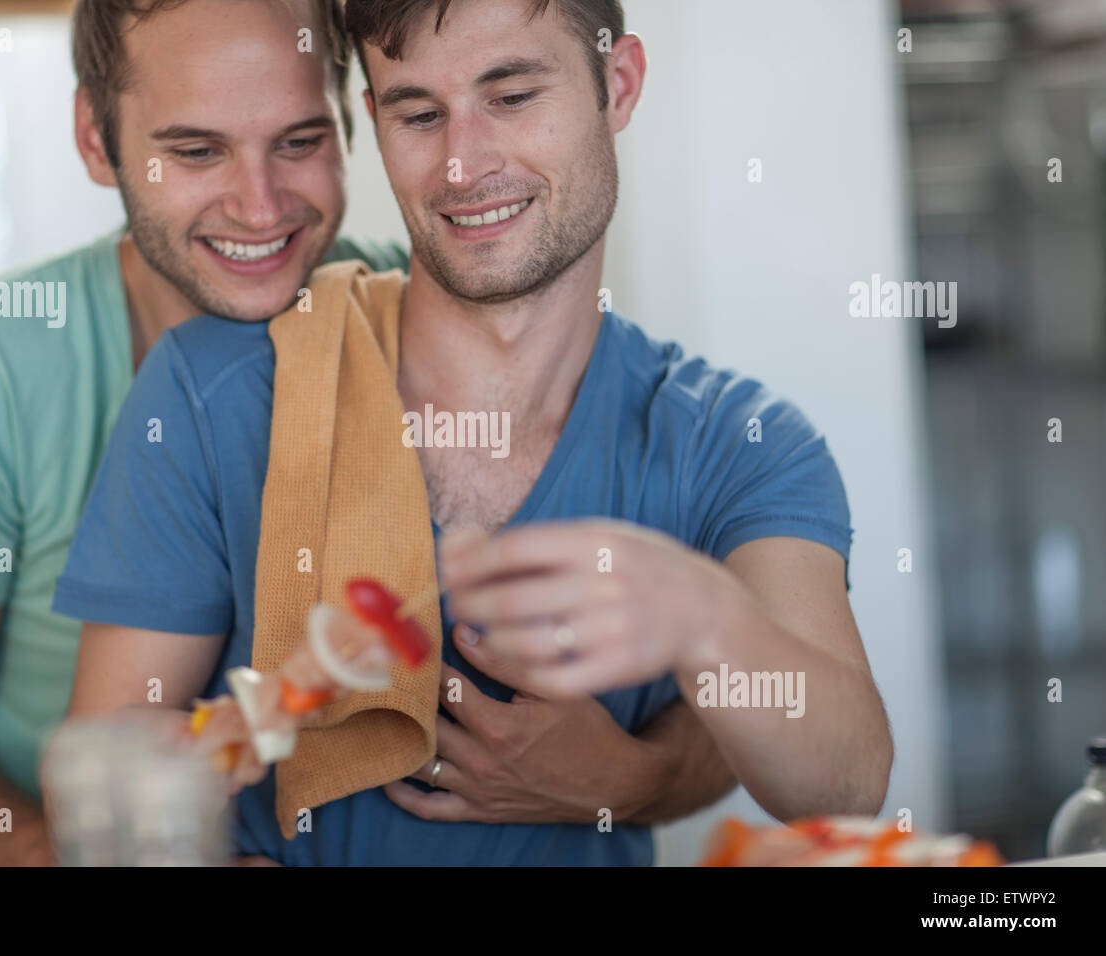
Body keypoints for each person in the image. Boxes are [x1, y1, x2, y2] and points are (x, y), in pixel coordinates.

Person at [51, 0, 888, 865]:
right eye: (419, 114)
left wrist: (705, 621)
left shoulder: (741, 443)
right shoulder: (211, 391)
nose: (463, 165)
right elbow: (105, 775)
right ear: (374, 122)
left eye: (512, 96)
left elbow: (847, 787)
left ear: (619, 83)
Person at [0, 0, 406, 865]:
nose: (260, 207)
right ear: (96, 140)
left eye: (299, 141)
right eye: (196, 151)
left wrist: (616, 778)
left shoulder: (413, 315)